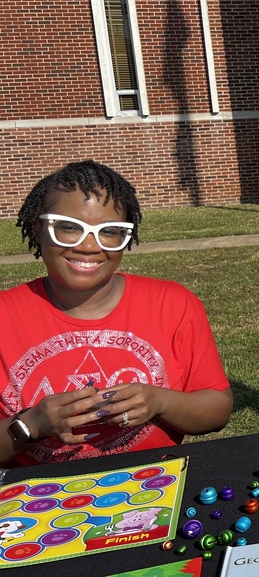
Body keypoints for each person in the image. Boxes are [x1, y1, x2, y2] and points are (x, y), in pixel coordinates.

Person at [0, 161, 233, 467]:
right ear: (37, 228)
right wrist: (31, 424)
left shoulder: (173, 304)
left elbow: (218, 411)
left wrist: (159, 401)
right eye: (68, 227)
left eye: (109, 232)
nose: (88, 246)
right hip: (36, 502)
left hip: (155, 487)